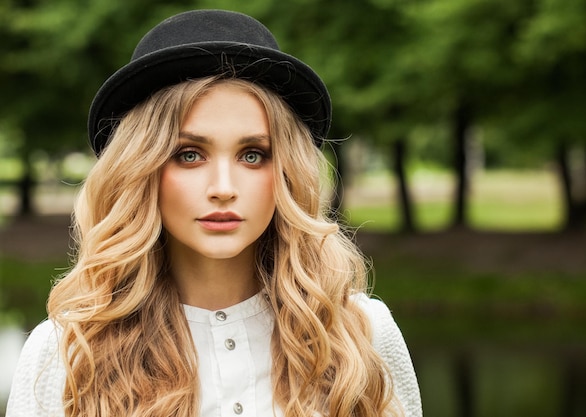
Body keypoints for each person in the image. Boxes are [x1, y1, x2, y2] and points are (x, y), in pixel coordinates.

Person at [6, 9, 422, 417]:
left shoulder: (361, 333)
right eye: (189, 155)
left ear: (286, 172)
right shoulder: (65, 352)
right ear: (141, 168)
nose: (223, 188)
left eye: (253, 155)